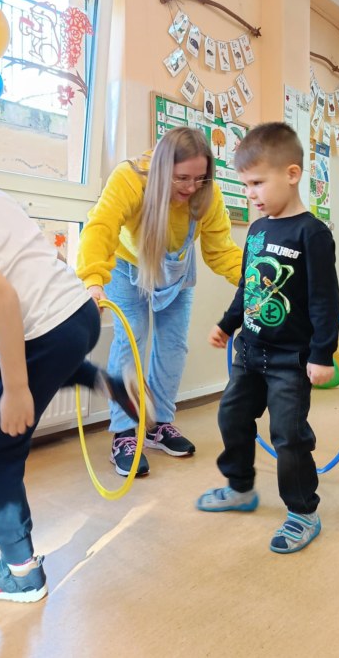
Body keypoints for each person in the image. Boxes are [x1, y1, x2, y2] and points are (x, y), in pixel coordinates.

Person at [0, 168, 141, 603]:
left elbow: (2, 298)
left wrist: (17, 388)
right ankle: (102, 380)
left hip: (45, 331)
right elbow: (42, 261)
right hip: (79, 314)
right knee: (48, 365)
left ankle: (20, 571)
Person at [196, 122, 339, 554]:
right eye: (245, 185)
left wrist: (322, 354)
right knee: (231, 418)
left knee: (289, 436)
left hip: (290, 360)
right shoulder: (258, 231)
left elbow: (323, 301)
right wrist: (227, 323)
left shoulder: (312, 233)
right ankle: (240, 487)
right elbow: (248, 288)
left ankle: (302, 511)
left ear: (292, 174)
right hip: (249, 352)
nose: (251, 194)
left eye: (257, 182)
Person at [76, 127, 242, 478]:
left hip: (176, 271)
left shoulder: (207, 195)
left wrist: (255, 281)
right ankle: (125, 432)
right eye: (181, 178)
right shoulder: (130, 178)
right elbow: (100, 227)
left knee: (173, 346)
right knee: (130, 341)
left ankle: (158, 425)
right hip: (126, 267)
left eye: (199, 178)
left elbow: (221, 251)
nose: (190, 187)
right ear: (162, 168)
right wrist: (93, 279)